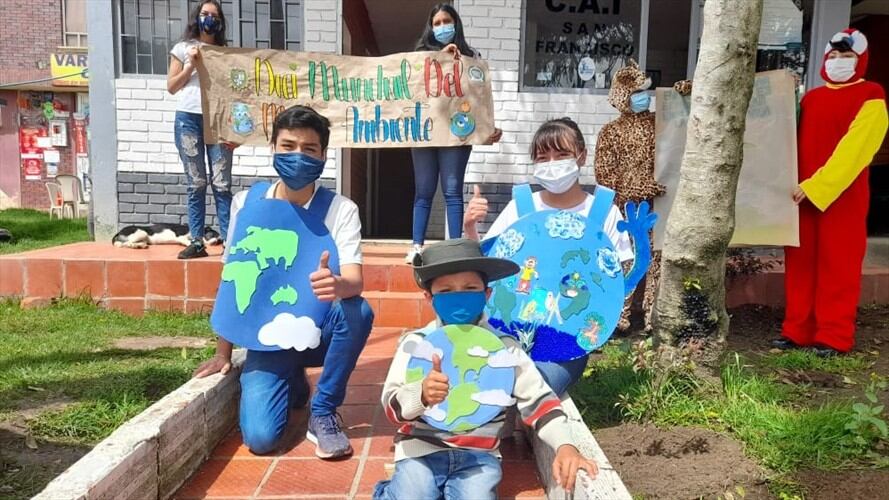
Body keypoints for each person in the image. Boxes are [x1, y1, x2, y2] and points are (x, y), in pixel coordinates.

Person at [193, 105, 375, 459]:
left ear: (323, 155)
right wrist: (222, 353)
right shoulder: (247, 204)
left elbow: (355, 279)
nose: (298, 156)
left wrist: (338, 286)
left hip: (317, 330)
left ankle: (322, 411)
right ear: (273, 147)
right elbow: (234, 279)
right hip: (269, 336)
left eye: (309, 149)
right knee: (261, 440)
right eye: (288, 146)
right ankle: (291, 379)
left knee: (358, 311)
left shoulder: (341, 209)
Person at [374, 239, 598, 499]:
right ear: (429, 298)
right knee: (413, 494)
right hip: (420, 450)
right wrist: (420, 394)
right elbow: (391, 407)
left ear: (487, 294)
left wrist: (565, 444)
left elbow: (539, 400)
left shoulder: (506, 349)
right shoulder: (416, 344)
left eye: (470, 288)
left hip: (478, 457)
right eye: (446, 291)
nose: (459, 296)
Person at [463, 118, 632, 395]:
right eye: (543, 157)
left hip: (565, 343)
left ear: (581, 156)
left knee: (537, 387)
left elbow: (615, 282)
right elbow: (484, 267)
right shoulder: (520, 206)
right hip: (509, 333)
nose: (552, 164)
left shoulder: (603, 212)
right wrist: (471, 227)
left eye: (562, 154)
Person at [774, 29, 887, 357]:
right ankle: (797, 330)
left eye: (847, 57)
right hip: (800, 195)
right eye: (833, 56)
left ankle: (833, 335)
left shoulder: (871, 95)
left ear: (860, 59)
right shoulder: (810, 98)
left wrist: (817, 186)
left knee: (839, 265)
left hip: (842, 198)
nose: (839, 62)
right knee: (800, 264)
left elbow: (855, 151)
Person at [594, 60, 692, 333]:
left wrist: (683, 94)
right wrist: (639, 188)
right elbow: (605, 176)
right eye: (636, 92)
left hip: (657, 207)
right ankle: (619, 316)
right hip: (626, 211)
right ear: (623, 97)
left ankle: (653, 316)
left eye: (644, 91)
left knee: (656, 259)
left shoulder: (657, 123)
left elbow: (685, 120)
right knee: (625, 258)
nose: (643, 98)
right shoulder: (610, 132)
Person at [407, 3, 502, 263]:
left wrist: (487, 128)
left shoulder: (471, 56)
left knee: (452, 191)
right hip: (425, 133)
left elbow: (479, 97)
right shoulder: (419, 56)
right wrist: (439, 59)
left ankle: (454, 246)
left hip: (457, 133)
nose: (441, 27)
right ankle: (416, 246)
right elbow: (411, 89)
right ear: (430, 26)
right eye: (436, 23)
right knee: (424, 191)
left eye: (446, 21)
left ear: (456, 23)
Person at [167, 0, 236, 259]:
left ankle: (229, 241)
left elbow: (235, 93)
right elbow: (172, 86)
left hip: (218, 120)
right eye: (205, 14)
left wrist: (236, 132)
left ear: (220, 22)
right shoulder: (183, 48)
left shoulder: (225, 53)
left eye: (214, 16)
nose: (209, 19)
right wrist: (190, 65)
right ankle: (197, 241)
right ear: (197, 17)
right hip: (189, 119)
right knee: (196, 182)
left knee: (221, 184)